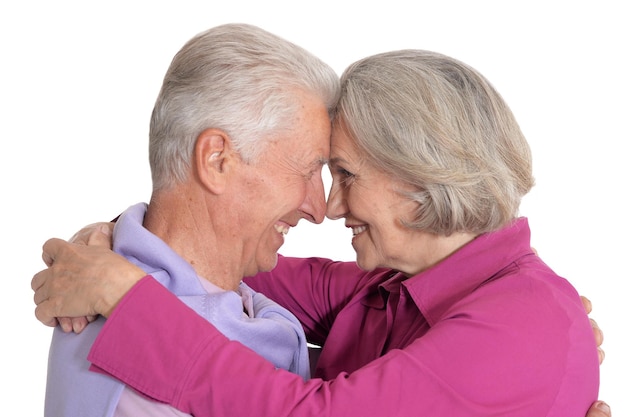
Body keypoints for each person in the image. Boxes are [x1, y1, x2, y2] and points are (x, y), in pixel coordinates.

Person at [32, 50, 611, 416]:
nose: (328, 208)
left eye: (345, 175)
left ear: (418, 177)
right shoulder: (388, 288)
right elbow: (216, 254)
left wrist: (124, 296)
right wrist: (113, 238)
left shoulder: (521, 325)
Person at [39, 23, 340, 417]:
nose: (319, 210)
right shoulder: (136, 370)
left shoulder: (124, 285)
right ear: (217, 160)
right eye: (306, 172)